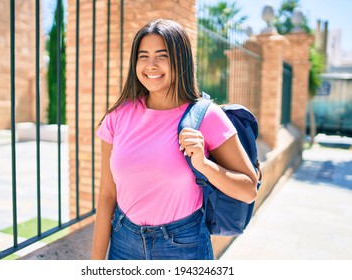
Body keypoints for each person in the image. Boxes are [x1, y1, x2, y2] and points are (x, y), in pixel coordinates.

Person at [91, 18, 258, 260]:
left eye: (162, 56)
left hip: (183, 246)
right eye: (143, 56)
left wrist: (205, 165)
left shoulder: (206, 116)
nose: (151, 65)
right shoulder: (118, 116)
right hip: (123, 243)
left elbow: (249, 190)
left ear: (180, 60)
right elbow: (107, 195)